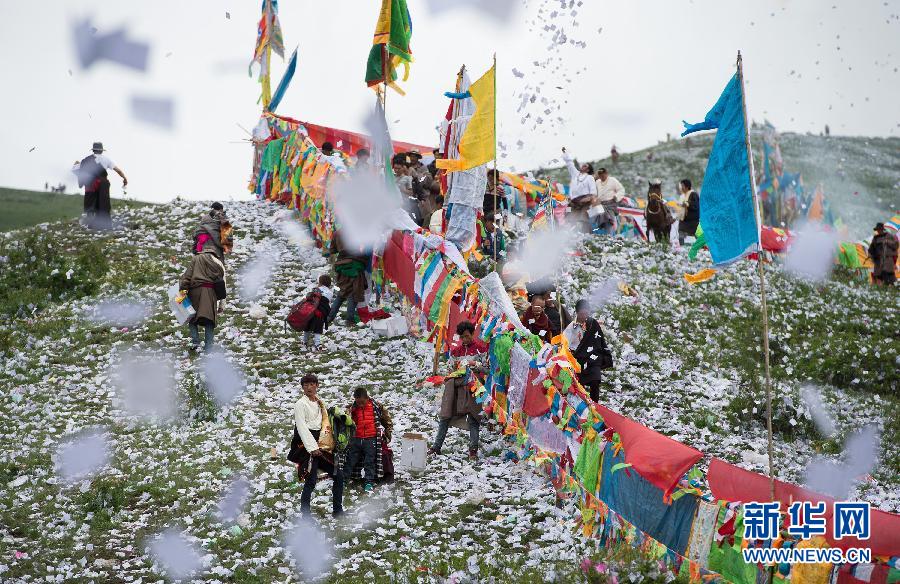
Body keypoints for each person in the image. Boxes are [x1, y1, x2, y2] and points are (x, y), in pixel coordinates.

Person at [429, 321, 487, 460]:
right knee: (445, 415)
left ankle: (473, 450)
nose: (465, 339)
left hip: (474, 387)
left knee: (474, 418)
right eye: (462, 337)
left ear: (472, 334)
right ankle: (436, 447)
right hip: (457, 387)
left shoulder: (480, 350)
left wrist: (475, 364)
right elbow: (450, 370)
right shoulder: (455, 352)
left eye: (467, 336)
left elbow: (487, 369)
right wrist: (456, 368)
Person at [292, 374, 344, 517]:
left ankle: (338, 511)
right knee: (311, 480)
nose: (309, 388)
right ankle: (305, 516)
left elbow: (325, 423)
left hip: (321, 444)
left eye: (312, 384)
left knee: (338, 475)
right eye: (306, 385)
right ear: (302, 388)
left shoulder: (320, 403)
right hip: (307, 445)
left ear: (317, 386)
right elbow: (301, 427)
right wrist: (312, 448)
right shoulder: (300, 404)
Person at [179, 240, 225, 351]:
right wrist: (221, 304)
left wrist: (182, 291)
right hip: (210, 293)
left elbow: (187, 277)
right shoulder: (218, 262)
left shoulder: (195, 259)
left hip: (195, 291)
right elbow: (222, 282)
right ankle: (208, 347)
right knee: (209, 320)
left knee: (192, 317)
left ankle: (195, 343)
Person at [345, 387, 394, 492]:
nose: (360, 405)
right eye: (358, 403)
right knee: (351, 460)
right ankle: (344, 479)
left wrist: (387, 433)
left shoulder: (377, 407)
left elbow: (387, 420)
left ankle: (369, 482)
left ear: (367, 398)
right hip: (356, 438)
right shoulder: (352, 408)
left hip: (371, 439)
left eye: (362, 402)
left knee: (369, 462)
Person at [72, 142, 127, 229]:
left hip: (90, 184)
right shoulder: (106, 159)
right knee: (104, 203)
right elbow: (118, 170)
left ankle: (91, 225)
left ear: (93, 150)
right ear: (101, 151)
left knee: (90, 204)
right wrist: (124, 178)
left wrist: (76, 163)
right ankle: (105, 224)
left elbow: (76, 169)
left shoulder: (86, 160)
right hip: (103, 184)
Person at [564, 299, 611, 402]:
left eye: (586, 313)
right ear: (577, 313)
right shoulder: (571, 327)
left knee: (595, 380)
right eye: (582, 314)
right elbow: (565, 343)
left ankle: (595, 404)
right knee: (579, 384)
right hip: (578, 359)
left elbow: (599, 340)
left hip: (592, 359)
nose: (584, 316)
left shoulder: (592, 323)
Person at [327, 231, 369, 327]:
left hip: (342, 266)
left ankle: (329, 317)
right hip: (355, 265)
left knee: (341, 294)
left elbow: (332, 250)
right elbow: (365, 250)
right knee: (353, 295)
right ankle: (349, 320)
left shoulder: (337, 233)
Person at [561, 147, 597, 232]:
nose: (583, 166)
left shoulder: (590, 178)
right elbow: (570, 164)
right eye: (583, 165)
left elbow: (593, 192)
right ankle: (570, 235)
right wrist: (565, 153)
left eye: (585, 166)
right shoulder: (575, 174)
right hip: (573, 202)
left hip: (585, 203)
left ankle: (586, 236)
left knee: (583, 220)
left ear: (588, 169)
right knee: (568, 218)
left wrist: (588, 199)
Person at [301, 274, 333, 349]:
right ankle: (317, 344)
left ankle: (304, 341)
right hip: (320, 313)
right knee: (318, 328)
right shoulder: (330, 292)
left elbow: (305, 298)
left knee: (307, 327)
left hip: (310, 311)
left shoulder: (314, 290)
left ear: (320, 282)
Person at [594, 167, 625, 234]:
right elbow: (594, 193)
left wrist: (616, 197)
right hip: (600, 205)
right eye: (600, 175)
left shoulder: (613, 180)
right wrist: (595, 200)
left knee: (609, 221)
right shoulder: (597, 182)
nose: (601, 177)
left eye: (603, 175)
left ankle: (610, 236)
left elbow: (621, 190)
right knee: (595, 219)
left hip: (610, 204)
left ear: (606, 174)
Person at [677, 179, 701, 245]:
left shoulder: (693, 194)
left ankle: (703, 246)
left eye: (682, 186)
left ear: (687, 187)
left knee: (697, 235)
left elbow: (695, 205)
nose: (681, 188)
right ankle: (681, 247)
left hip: (692, 221)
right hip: (684, 221)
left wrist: (687, 204)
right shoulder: (683, 195)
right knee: (681, 233)